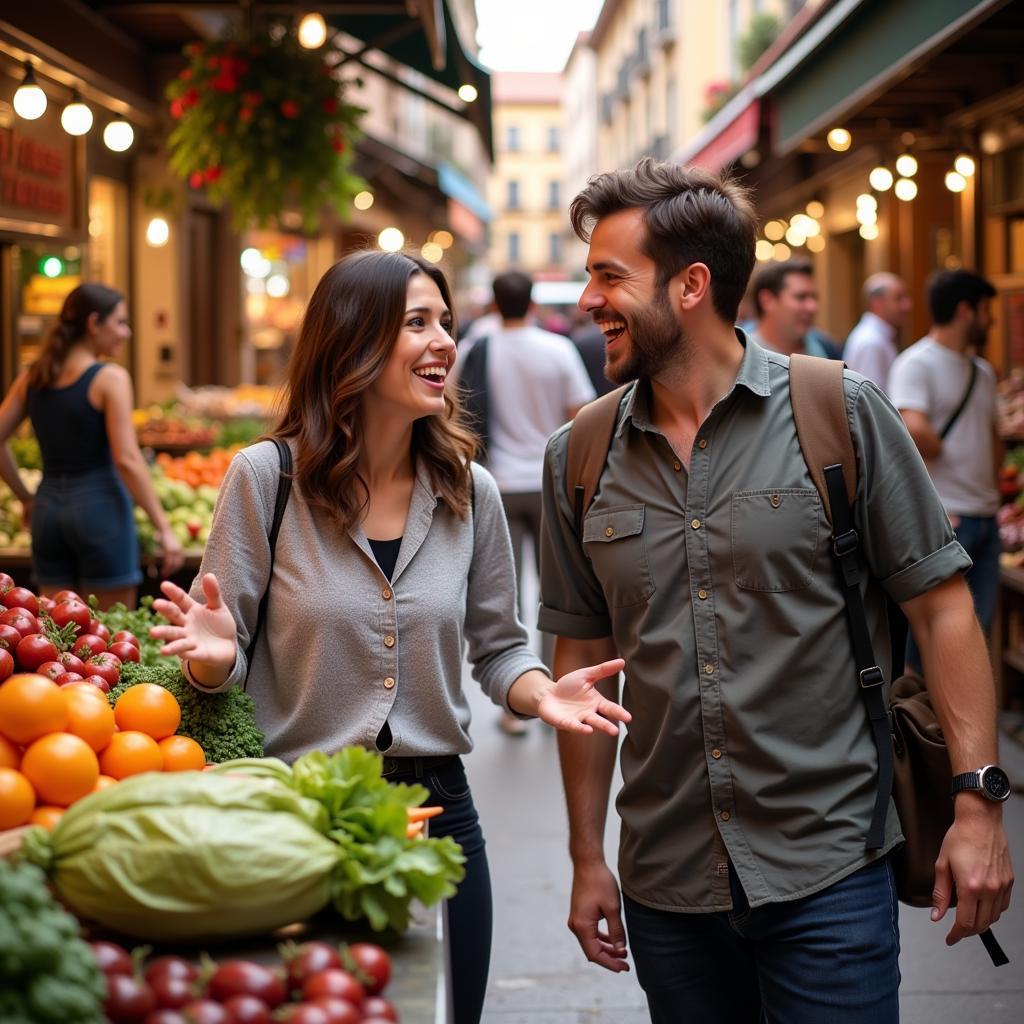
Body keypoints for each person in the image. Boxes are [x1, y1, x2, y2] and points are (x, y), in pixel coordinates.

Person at [538, 159, 1013, 1023]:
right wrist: (584, 854)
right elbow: (582, 666)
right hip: (665, 883)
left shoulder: (839, 412)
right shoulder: (579, 453)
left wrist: (978, 804)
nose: (587, 301)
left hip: (828, 864)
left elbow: (944, 610)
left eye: (610, 276)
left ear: (690, 286)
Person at [150, 250, 629, 1024]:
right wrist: (213, 661)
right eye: (417, 323)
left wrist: (543, 693)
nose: (444, 340)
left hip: (438, 811)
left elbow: (500, 646)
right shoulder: (267, 479)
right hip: (296, 816)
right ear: (352, 342)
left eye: (444, 321)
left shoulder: (468, 490)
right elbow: (225, 657)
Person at [455, 271, 595, 735]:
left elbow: (452, 405)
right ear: (532, 300)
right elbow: (582, 415)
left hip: (495, 482)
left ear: (494, 302)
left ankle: (515, 706)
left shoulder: (477, 347)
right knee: (554, 595)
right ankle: (552, 688)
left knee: (507, 594)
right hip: (549, 482)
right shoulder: (556, 349)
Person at [0, 283, 183, 609]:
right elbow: (126, 459)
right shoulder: (110, 379)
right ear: (93, 322)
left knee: (57, 637)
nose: (126, 333)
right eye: (120, 322)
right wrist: (164, 527)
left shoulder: (32, 377)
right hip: (101, 511)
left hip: (48, 512)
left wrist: (25, 497)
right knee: (111, 633)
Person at [889, 269, 1001, 666]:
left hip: (986, 517)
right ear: (965, 311)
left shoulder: (983, 372)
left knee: (977, 636)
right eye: (987, 310)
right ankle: (923, 726)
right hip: (947, 520)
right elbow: (910, 428)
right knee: (934, 641)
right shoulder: (916, 363)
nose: (993, 320)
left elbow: (992, 438)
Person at [748, 259, 841, 359]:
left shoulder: (826, 348)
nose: (812, 307)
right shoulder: (742, 355)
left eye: (814, 297)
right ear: (767, 300)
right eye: (801, 297)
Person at [844, 272, 912, 392]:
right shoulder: (871, 342)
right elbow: (870, 401)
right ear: (877, 303)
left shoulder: (876, 337)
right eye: (898, 299)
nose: (907, 305)